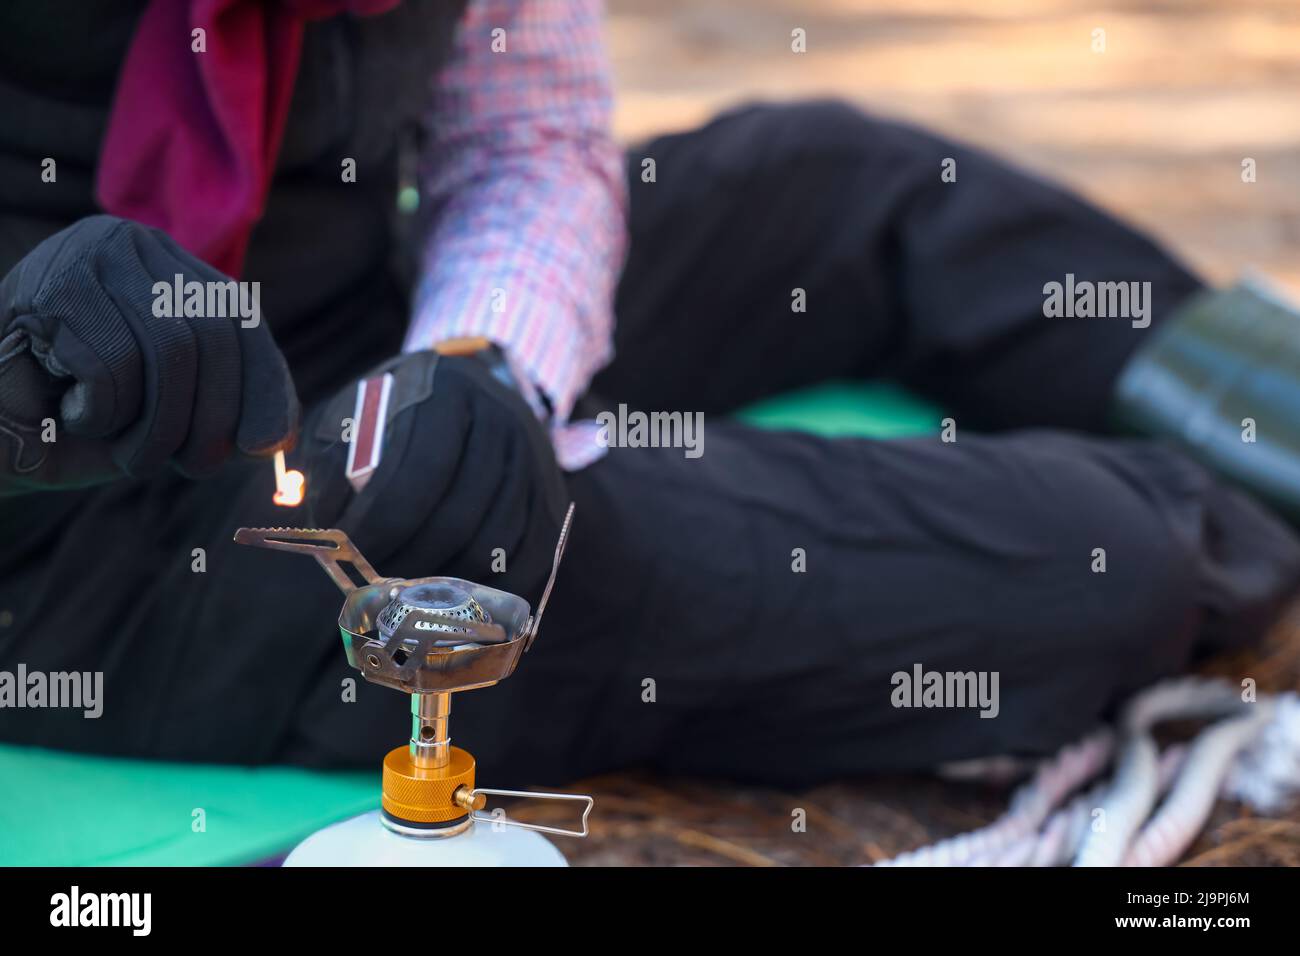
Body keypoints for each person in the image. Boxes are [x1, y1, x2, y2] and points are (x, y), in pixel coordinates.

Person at [1, 0, 1298, 788]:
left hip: (355, 327)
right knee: (1094, 564)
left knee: (843, 182)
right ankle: (1224, 542)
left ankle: (1275, 425)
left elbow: (527, 141)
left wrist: (480, 364)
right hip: (88, 541)